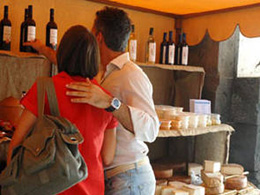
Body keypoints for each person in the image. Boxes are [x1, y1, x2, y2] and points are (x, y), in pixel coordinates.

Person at [24, 7, 160, 194]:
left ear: (99, 37)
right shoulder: (101, 71)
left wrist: (110, 102)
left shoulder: (132, 74)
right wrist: (41, 49)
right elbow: (70, 61)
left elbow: (152, 129)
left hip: (129, 176)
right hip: (110, 175)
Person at [7, 25, 118, 195]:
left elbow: (16, 143)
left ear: (63, 53)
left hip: (50, 187)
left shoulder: (45, 88)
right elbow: (108, 157)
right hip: (91, 189)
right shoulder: (105, 100)